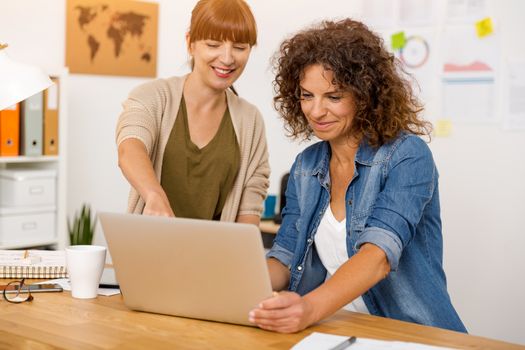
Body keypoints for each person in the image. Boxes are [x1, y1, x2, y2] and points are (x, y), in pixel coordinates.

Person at [249, 19, 467, 333]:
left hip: (410, 333)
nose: (316, 111)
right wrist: (239, 286)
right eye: (307, 95)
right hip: (339, 329)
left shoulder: (407, 155)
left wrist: (308, 308)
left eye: (333, 97)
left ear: (365, 96)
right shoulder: (305, 166)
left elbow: (377, 256)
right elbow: (285, 256)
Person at [116, 0, 269, 225]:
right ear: (190, 43)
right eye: (213, 44)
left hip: (215, 257)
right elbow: (130, 148)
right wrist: (153, 194)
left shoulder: (250, 120)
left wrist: (241, 257)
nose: (227, 58)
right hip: (149, 250)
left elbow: (250, 208)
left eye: (239, 47)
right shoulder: (152, 96)